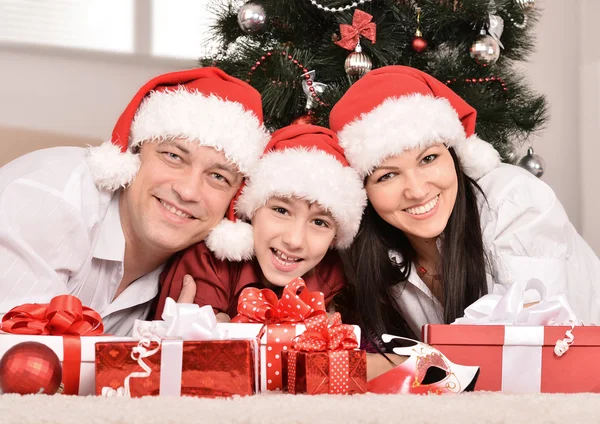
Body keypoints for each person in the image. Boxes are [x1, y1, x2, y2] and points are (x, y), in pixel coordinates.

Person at [328, 65, 600, 344]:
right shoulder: (369, 251)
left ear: (455, 156)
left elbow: (526, 341)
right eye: (387, 175)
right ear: (364, 193)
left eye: (428, 159)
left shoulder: (514, 200)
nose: (417, 190)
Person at [0, 67, 269, 335]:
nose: (188, 191)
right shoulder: (51, 198)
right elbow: (23, 364)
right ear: (133, 153)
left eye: (218, 177)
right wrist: (164, 356)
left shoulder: (197, 275)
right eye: (174, 156)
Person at [154, 124, 366, 321]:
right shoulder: (208, 261)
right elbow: (175, 353)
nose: (294, 240)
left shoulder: (329, 277)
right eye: (281, 211)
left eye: (320, 223)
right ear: (252, 210)